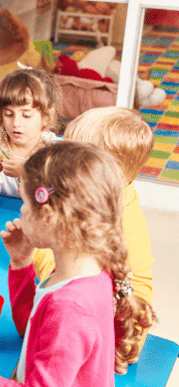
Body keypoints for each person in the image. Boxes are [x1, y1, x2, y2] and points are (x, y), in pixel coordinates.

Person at [0, 141, 156, 386]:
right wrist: (21, 263)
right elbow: (33, 330)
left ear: (47, 218)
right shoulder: (82, 269)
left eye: (25, 202)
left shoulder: (70, 308)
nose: (21, 211)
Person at [33, 106, 155, 352]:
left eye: (70, 158)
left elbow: (139, 287)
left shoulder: (124, 221)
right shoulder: (92, 192)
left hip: (99, 330)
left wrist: (40, 246)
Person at [0, 68, 62, 203]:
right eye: (9, 114)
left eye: (26, 115)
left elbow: (52, 200)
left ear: (45, 116)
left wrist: (26, 174)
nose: (16, 123)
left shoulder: (53, 148)